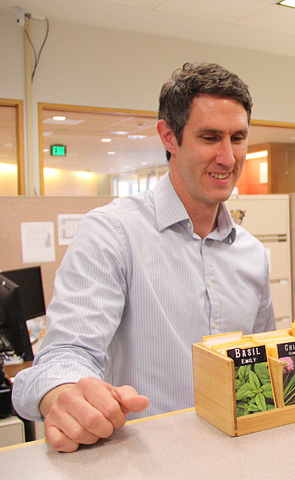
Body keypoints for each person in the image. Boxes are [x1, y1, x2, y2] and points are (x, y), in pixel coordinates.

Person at [12, 62, 275, 452]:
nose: (228, 157)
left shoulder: (251, 253)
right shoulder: (111, 234)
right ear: (169, 136)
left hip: (240, 455)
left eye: (238, 138)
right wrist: (64, 393)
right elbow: (65, 354)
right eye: (209, 137)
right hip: (145, 462)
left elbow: (259, 364)